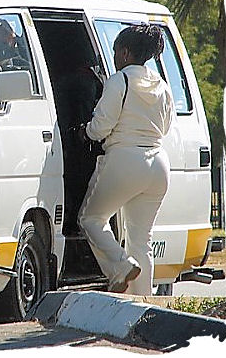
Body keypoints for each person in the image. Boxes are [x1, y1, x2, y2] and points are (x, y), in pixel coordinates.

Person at [77, 25, 175, 295]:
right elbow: (166, 127)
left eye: (116, 52)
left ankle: (121, 267)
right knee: (141, 239)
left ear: (125, 52)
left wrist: (85, 131)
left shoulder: (120, 81)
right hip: (158, 164)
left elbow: (101, 127)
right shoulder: (162, 86)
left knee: (91, 218)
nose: (115, 58)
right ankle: (142, 304)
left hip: (124, 161)